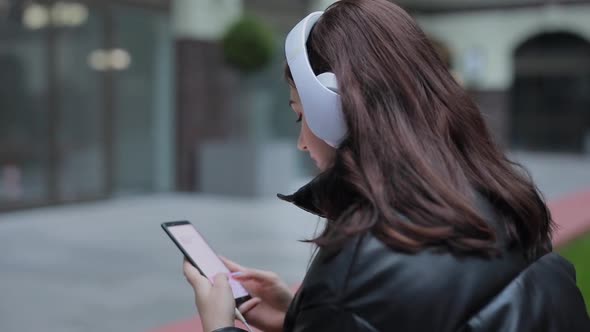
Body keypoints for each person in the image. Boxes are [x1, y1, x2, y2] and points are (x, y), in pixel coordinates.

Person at [182, 1, 590, 331]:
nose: (301, 142)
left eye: (299, 114)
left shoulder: (356, 275)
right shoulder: (501, 199)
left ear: (335, 110)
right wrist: (302, 316)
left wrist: (222, 327)